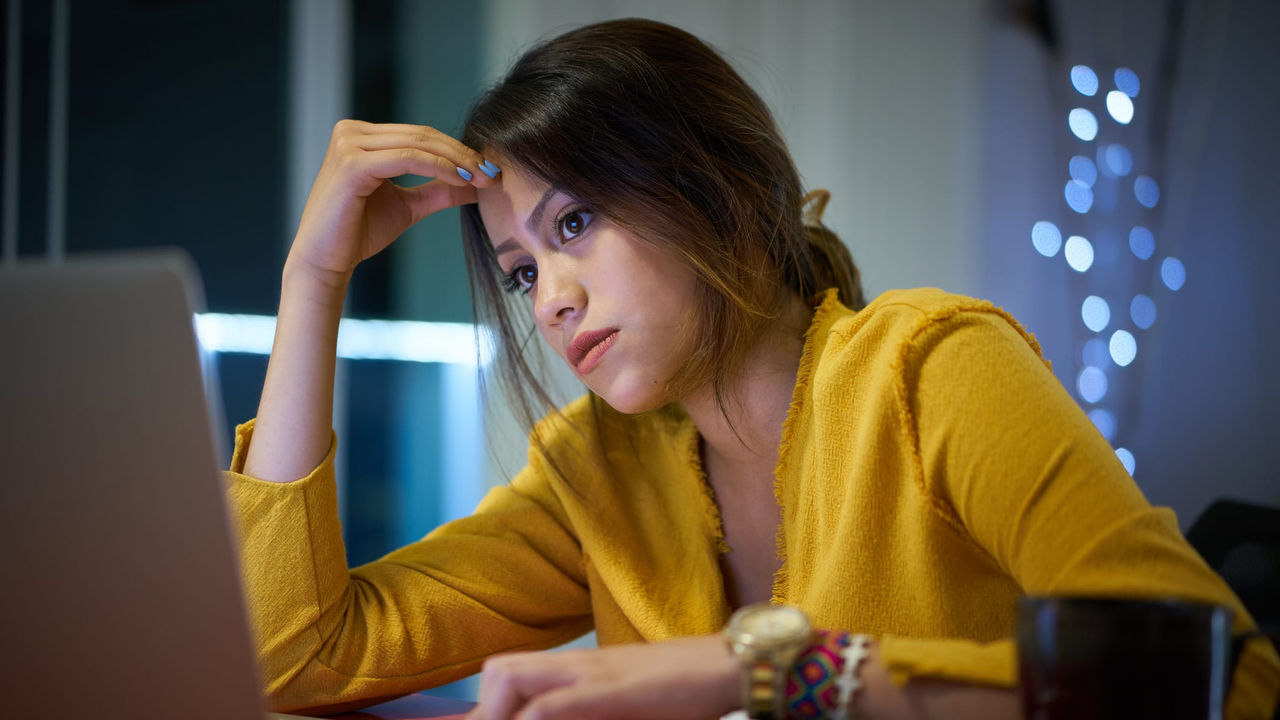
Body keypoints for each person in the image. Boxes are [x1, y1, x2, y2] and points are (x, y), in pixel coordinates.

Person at [224, 17, 1280, 720]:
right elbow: (294, 658)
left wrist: (773, 670)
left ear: (711, 189)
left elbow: (1222, 682)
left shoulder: (930, 370)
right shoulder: (594, 473)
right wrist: (312, 280)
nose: (548, 296)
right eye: (516, 271)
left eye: (576, 222)